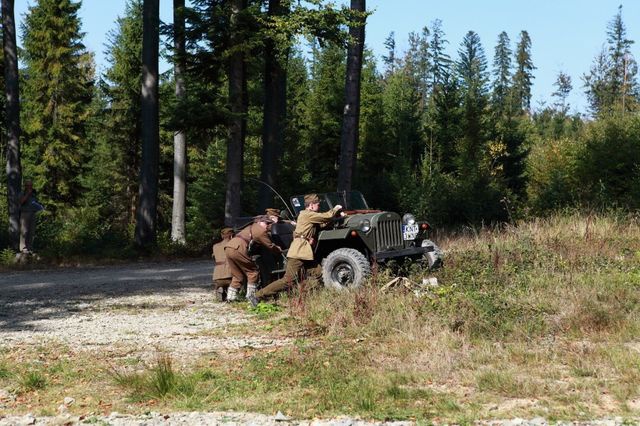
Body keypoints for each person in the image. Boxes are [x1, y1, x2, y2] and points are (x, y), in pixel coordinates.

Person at [250, 194, 345, 306]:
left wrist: (338, 217)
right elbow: (326, 216)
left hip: (305, 252)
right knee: (288, 280)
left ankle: (301, 295)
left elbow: (323, 223)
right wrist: (336, 208)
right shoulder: (307, 214)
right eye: (317, 204)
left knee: (320, 274)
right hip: (299, 251)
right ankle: (258, 296)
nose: (319, 206)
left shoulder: (310, 215)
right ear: (311, 205)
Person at [224, 215, 282, 302]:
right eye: (267, 223)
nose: (268, 226)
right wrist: (278, 249)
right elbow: (269, 246)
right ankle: (251, 297)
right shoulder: (260, 231)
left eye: (269, 223)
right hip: (239, 248)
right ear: (259, 222)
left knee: (238, 275)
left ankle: (231, 298)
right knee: (253, 273)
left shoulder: (251, 226)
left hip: (229, 247)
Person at [18, 179, 42, 254]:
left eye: (31, 185)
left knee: (32, 231)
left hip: (33, 213)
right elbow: (21, 201)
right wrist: (27, 194)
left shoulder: (34, 193)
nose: (30, 187)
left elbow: (35, 202)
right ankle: (23, 248)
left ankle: (30, 247)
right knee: (24, 231)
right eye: (28, 185)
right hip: (25, 213)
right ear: (25, 186)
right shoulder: (22, 192)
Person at [211, 227, 234, 302]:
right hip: (230, 275)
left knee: (220, 282)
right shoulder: (232, 245)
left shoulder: (215, 246)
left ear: (222, 236)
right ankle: (231, 293)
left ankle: (220, 288)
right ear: (231, 236)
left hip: (217, 276)